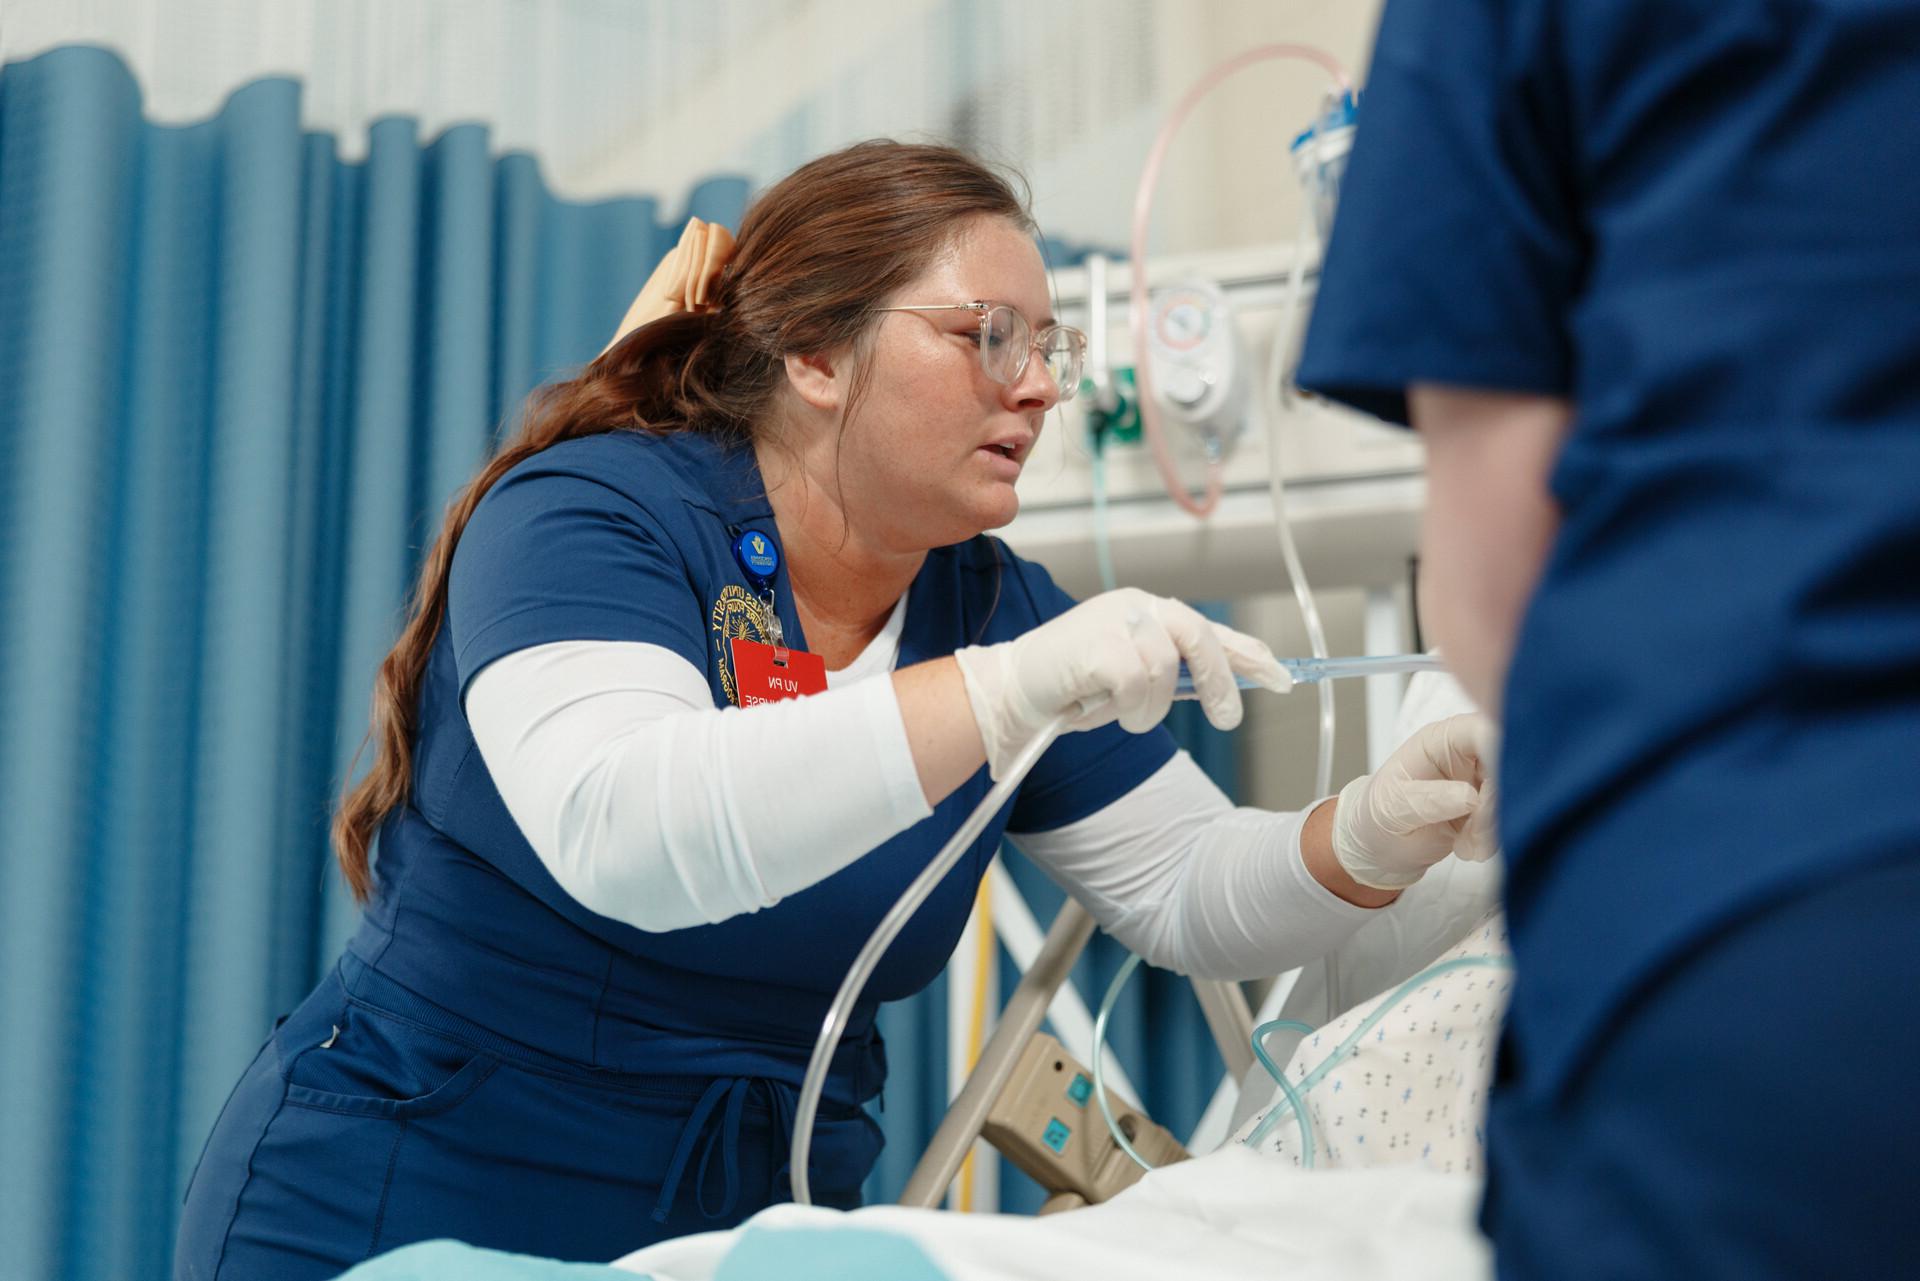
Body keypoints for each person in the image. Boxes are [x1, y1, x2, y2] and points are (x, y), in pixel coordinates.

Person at [175, 140, 1496, 1280]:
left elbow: (1197, 892)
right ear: (814, 350)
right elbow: (626, 826)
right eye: (990, 337)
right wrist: (1009, 692)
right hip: (414, 1187)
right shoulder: (594, 518)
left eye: (1051, 348)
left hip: (734, 1230)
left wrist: (1375, 831)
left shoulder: (993, 607)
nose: (1039, 386)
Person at [1295, 1, 1920, 1276]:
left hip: (1763, 930)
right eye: (985, 337)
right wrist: (1363, 829)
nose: (1033, 382)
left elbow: (1496, 578)